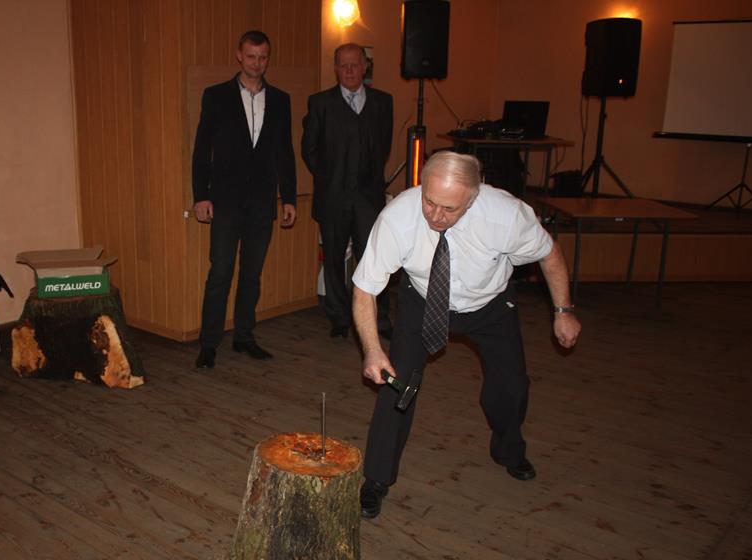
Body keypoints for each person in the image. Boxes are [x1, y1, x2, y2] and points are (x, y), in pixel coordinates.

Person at [352, 151, 581, 519]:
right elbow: (365, 288)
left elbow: (549, 255)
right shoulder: (397, 218)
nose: (435, 215)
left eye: (449, 208)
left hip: (490, 305)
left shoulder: (506, 215)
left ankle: (508, 450)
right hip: (423, 299)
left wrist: (563, 311)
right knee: (397, 386)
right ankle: (377, 478)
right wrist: (373, 350)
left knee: (511, 388)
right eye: (429, 201)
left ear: (474, 197)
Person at [192, 30, 297, 370]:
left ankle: (244, 336)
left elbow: (285, 152)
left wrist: (289, 198)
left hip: (262, 202)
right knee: (220, 273)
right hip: (225, 201)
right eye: (251, 56)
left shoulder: (280, 100)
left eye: (263, 57)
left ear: (268, 58)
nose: (257, 63)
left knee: (252, 274)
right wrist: (201, 195)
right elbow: (201, 149)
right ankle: (209, 344)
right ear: (239, 55)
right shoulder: (216, 96)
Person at [301, 43, 393, 340]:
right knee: (333, 260)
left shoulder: (383, 102)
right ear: (335, 68)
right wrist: (331, 178)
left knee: (374, 260)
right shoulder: (320, 103)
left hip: (368, 199)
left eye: (355, 64)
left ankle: (378, 319)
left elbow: (384, 146)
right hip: (333, 198)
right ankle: (339, 318)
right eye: (343, 65)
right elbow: (309, 149)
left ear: (365, 67)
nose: (350, 70)